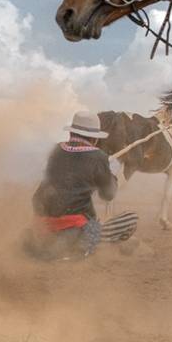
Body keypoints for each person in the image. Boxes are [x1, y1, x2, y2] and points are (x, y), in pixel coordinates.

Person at [22, 111, 138, 261]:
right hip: (74, 228)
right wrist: (112, 177)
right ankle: (82, 247)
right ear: (93, 138)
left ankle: (46, 244)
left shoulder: (56, 150)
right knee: (130, 218)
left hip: (43, 225)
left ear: (71, 133)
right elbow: (108, 194)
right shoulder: (98, 157)